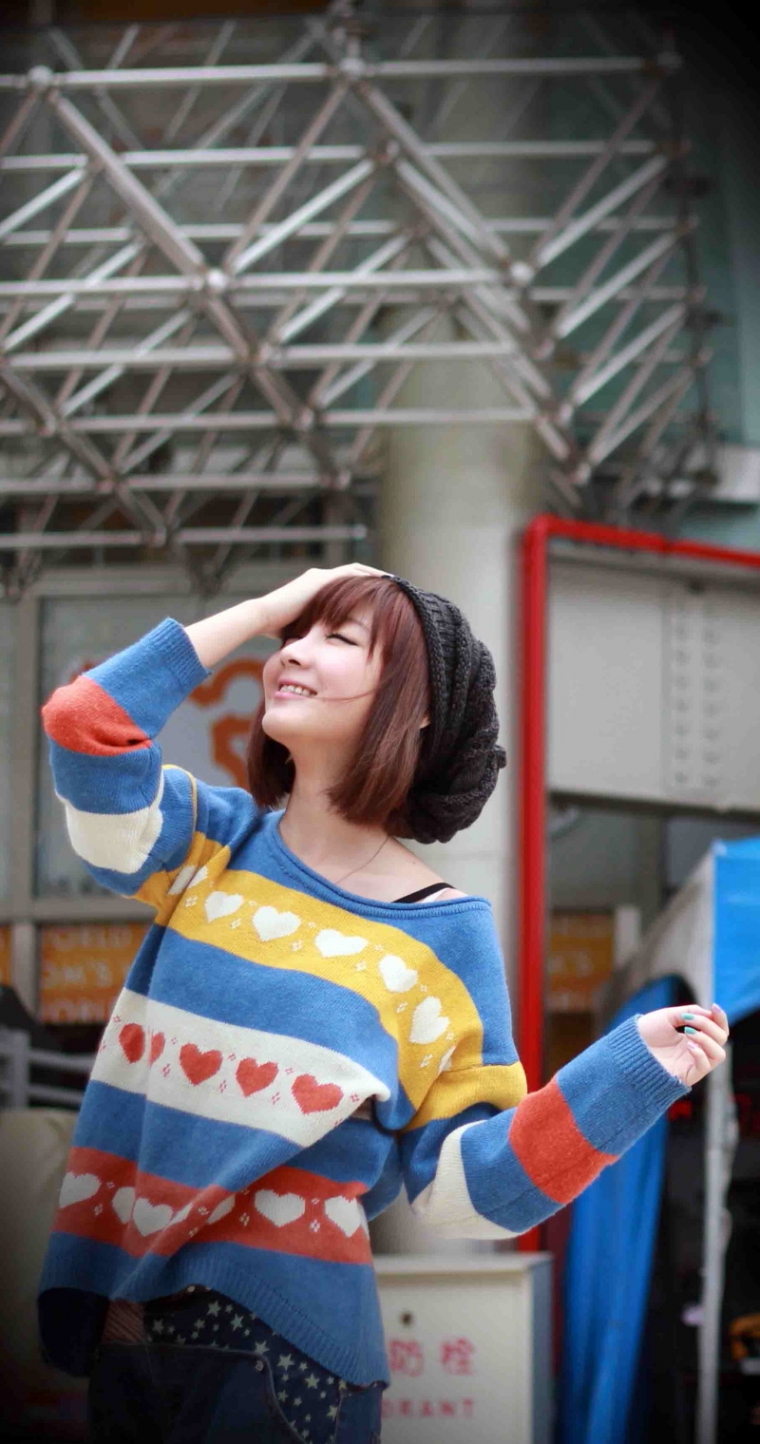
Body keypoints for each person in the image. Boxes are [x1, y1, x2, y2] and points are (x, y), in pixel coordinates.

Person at [36, 564, 729, 1444]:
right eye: (293, 634)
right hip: (126, 1329)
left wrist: (624, 1076)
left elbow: (469, 1192)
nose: (292, 651)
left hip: (280, 1351)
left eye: (337, 638)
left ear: (415, 705)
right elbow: (84, 725)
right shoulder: (205, 844)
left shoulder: (443, 937)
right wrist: (262, 608)